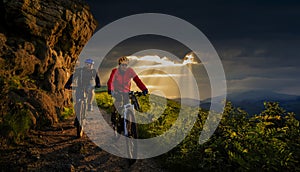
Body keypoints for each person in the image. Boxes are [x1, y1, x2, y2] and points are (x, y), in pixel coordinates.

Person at [107, 56, 148, 133]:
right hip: (117, 91)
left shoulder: (130, 71)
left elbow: (137, 80)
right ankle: (114, 120)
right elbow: (111, 81)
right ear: (119, 65)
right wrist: (111, 90)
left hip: (126, 91)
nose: (124, 67)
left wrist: (144, 89)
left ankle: (129, 122)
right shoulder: (115, 71)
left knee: (128, 106)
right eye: (122, 65)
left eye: (126, 65)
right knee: (118, 104)